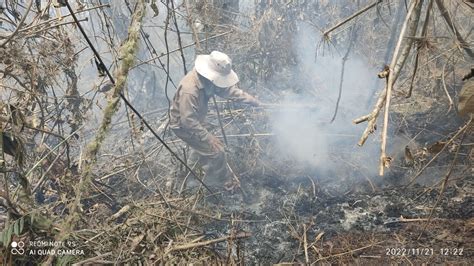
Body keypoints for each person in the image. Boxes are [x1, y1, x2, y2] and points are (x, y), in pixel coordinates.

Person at [170, 51, 260, 189]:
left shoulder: (207, 80)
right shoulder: (190, 90)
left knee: (201, 147)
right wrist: (208, 138)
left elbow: (227, 91)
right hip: (182, 126)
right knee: (217, 152)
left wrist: (250, 99)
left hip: (195, 120)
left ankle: (189, 173)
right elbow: (188, 121)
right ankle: (216, 185)